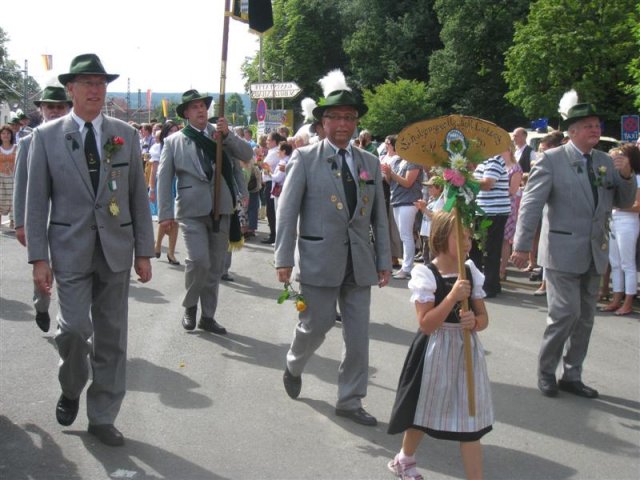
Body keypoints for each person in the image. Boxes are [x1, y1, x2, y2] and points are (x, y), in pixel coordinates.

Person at [25, 53, 154, 446]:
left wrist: (144, 252)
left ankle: (102, 416)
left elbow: (137, 195)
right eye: (87, 83)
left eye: (101, 83)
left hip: (116, 249)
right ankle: (71, 387)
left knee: (112, 338)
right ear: (71, 89)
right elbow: (36, 202)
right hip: (69, 249)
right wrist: (39, 258)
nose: (96, 90)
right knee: (74, 330)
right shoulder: (46, 137)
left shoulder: (125, 134)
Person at [275, 70, 391, 426]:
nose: (343, 124)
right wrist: (283, 258)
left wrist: (384, 260)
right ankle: (294, 362)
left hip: (359, 261)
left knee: (358, 337)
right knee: (317, 324)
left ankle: (350, 400)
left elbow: (380, 217)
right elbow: (287, 212)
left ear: (356, 123)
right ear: (322, 123)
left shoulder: (370, 162)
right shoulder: (305, 158)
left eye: (349, 117)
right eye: (335, 117)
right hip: (319, 258)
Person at [511, 103, 636, 398]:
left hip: (595, 250)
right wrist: (522, 244)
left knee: (585, 318)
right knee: (565, 313)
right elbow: (531, 203)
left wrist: (626, 176)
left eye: (597, 125)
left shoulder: (605, 160)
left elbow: (623, 201)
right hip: (561, 250)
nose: (596, 130)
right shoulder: (551, 159)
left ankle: (572, 374)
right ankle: (546, 371)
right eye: (589, 126)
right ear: (573, 131)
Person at [387, 211, 492, 480]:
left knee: (471, 419)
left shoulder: (470, 271)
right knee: (424, 410)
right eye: (461, 237)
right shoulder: (427, 274)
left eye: (469, 237)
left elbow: (484, 318)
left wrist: (474, 321)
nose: (467, 243)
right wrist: (452, 297)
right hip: (434, 350)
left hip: (465, 350)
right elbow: (426, 324)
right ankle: (404, 459)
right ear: (442, 238)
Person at [157, 89, 251, 335]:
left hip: (222, 207)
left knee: (215, 266)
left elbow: (246, 155)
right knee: (199, 261)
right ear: (186, 114)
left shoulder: (221, 134)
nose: (200, 110)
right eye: (194, 107)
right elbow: (164, 179)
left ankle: (208, 317)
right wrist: (165, 214)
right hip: (191, 210)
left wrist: (228, 135)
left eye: (203, 106)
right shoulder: (174, 141)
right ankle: (190, 305)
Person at [13, 85, 72, 332]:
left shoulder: (75, 139)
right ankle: (41, 305)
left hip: (67, 218)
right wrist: (20, 223)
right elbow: (21, 185)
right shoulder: (28, 142)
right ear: (41, 110)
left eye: (60, 107)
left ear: (68, 108)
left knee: (69, 273)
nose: (55, 112)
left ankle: (69, 323)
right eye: (50, 107)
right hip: (39, 218)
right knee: (42, 270)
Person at [599, 143, 640, 315]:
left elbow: (637, 206)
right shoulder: (617, 176)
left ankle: (628, 302)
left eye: (622, 155)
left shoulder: (636, 178)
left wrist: (616, 205)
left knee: (627, 264)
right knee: (615, 263)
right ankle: (616, 299)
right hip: (614, 220)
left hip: (628, 222)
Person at [381, 134, 423, 280]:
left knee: (406, 235)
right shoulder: (398, 160)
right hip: (397, 200)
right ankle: (406, 267)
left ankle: (407, 268)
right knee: (403, 235)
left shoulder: (414, 161)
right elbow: (390, 182)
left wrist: (391, 173)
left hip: (409, 201)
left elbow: (407, 182)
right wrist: (388, 174)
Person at [469, 152, 510, 297]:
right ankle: (484, 283)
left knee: (489, 250)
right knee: (477, 250)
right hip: (484, 210)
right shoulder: (484, 161)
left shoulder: (494, 160)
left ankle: (489, 286)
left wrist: (464, 180)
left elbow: (487, 184)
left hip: (493, 211)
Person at [148, 121, 181, 265]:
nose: (174, 133)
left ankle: (171, 253)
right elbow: (153, 171)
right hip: (163, 185)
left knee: (176, 220)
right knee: (165, 219)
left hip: (178, 185)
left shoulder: (181, 146)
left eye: (176, 130)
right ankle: (158, 244)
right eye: (171, 131)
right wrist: (152, 189)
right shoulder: (158, 147)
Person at [499, 147, 523, 281]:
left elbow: (513, 190)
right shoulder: (498, 165)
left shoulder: (515, 168)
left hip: (507, 207)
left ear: (508, 150)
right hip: (495, 206)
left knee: (505, 240)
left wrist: (494, 188)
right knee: (496, 239)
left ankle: (502, 269)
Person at [0, 124, 17, 230]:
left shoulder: (17, 147)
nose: (6, 135)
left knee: (13, 200)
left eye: (8, 133)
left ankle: (13, 221)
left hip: (13, 178)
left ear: (11, 135)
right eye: (3, 133)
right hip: (0, 178)